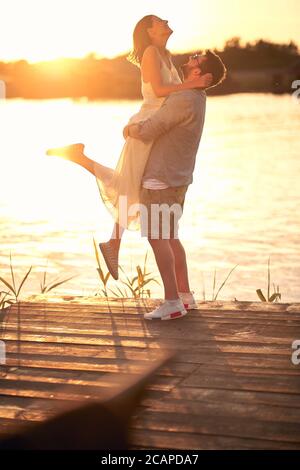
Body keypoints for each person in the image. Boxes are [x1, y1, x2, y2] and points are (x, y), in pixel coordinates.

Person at [46, 15, 212, 279]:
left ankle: (113, 240)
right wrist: (192, 83)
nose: (166, 21)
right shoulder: (149, 52)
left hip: (161, 124)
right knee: (130, 184)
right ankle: (113, 240)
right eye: (159, 20)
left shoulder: (165, 54)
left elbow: (174, 93)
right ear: (149, 30)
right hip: (148, 123)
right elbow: (158, 90)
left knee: (130, 184)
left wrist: (191, 85)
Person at [124, 50, 227, 320]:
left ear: (200, 74)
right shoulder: (197, 97)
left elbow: (149, 131)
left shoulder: (183, 98)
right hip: (178, 179)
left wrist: (129, 128)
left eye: (197, 58)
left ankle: (171, 302)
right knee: (170, 237)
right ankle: (185, 296)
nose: (191, 58)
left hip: (161, 179)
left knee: (158, 238)